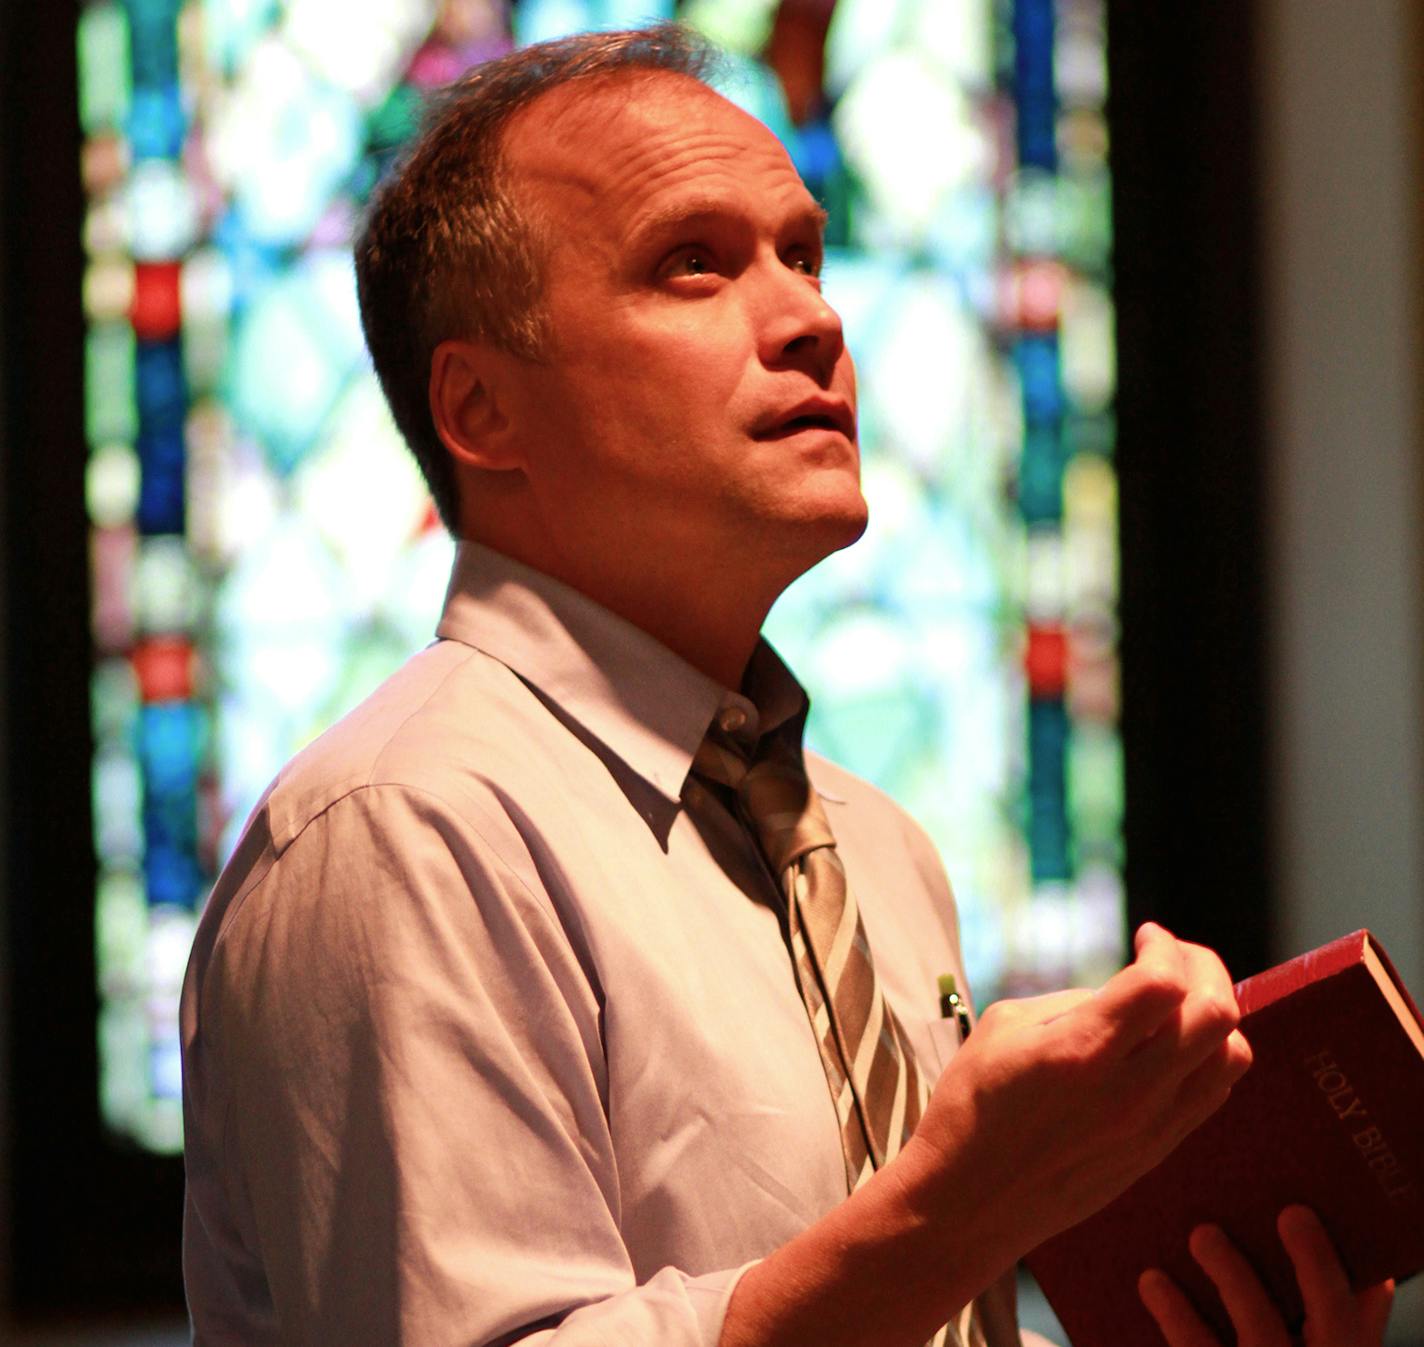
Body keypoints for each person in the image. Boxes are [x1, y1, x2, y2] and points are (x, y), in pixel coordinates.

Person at [179, 23, 1394, 1347]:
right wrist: (956, 1212)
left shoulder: (874, 847)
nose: (812, 318)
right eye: (691, 264)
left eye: (805, 254)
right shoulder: (406, 827)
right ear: (481, 411)